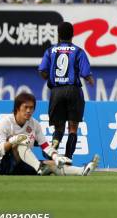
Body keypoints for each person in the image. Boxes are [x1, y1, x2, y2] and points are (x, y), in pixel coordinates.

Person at [0, 92, 99, 176]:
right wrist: (14, 140)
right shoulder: (5, 123)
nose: (29, 111)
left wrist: (56, 156)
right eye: (25, 107)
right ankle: (39, 167)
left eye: (31, 108)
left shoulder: (34, 124)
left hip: (22, 164)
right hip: (3, 164)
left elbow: (45, 145)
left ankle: (82, 171)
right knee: (21, 141)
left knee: (52, 164)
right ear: (17, 108)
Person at [38, 22, 95, 160]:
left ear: (58, 34)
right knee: (73, 128)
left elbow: (42, 71)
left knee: (58, 129)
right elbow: (86, 73)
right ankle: (68, 158)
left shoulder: (50, 51)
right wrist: (90, 80)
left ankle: (53, 151)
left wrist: (51, 76)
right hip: (73, 90)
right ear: (73, 35)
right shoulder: (78, 51)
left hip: (57, 91)